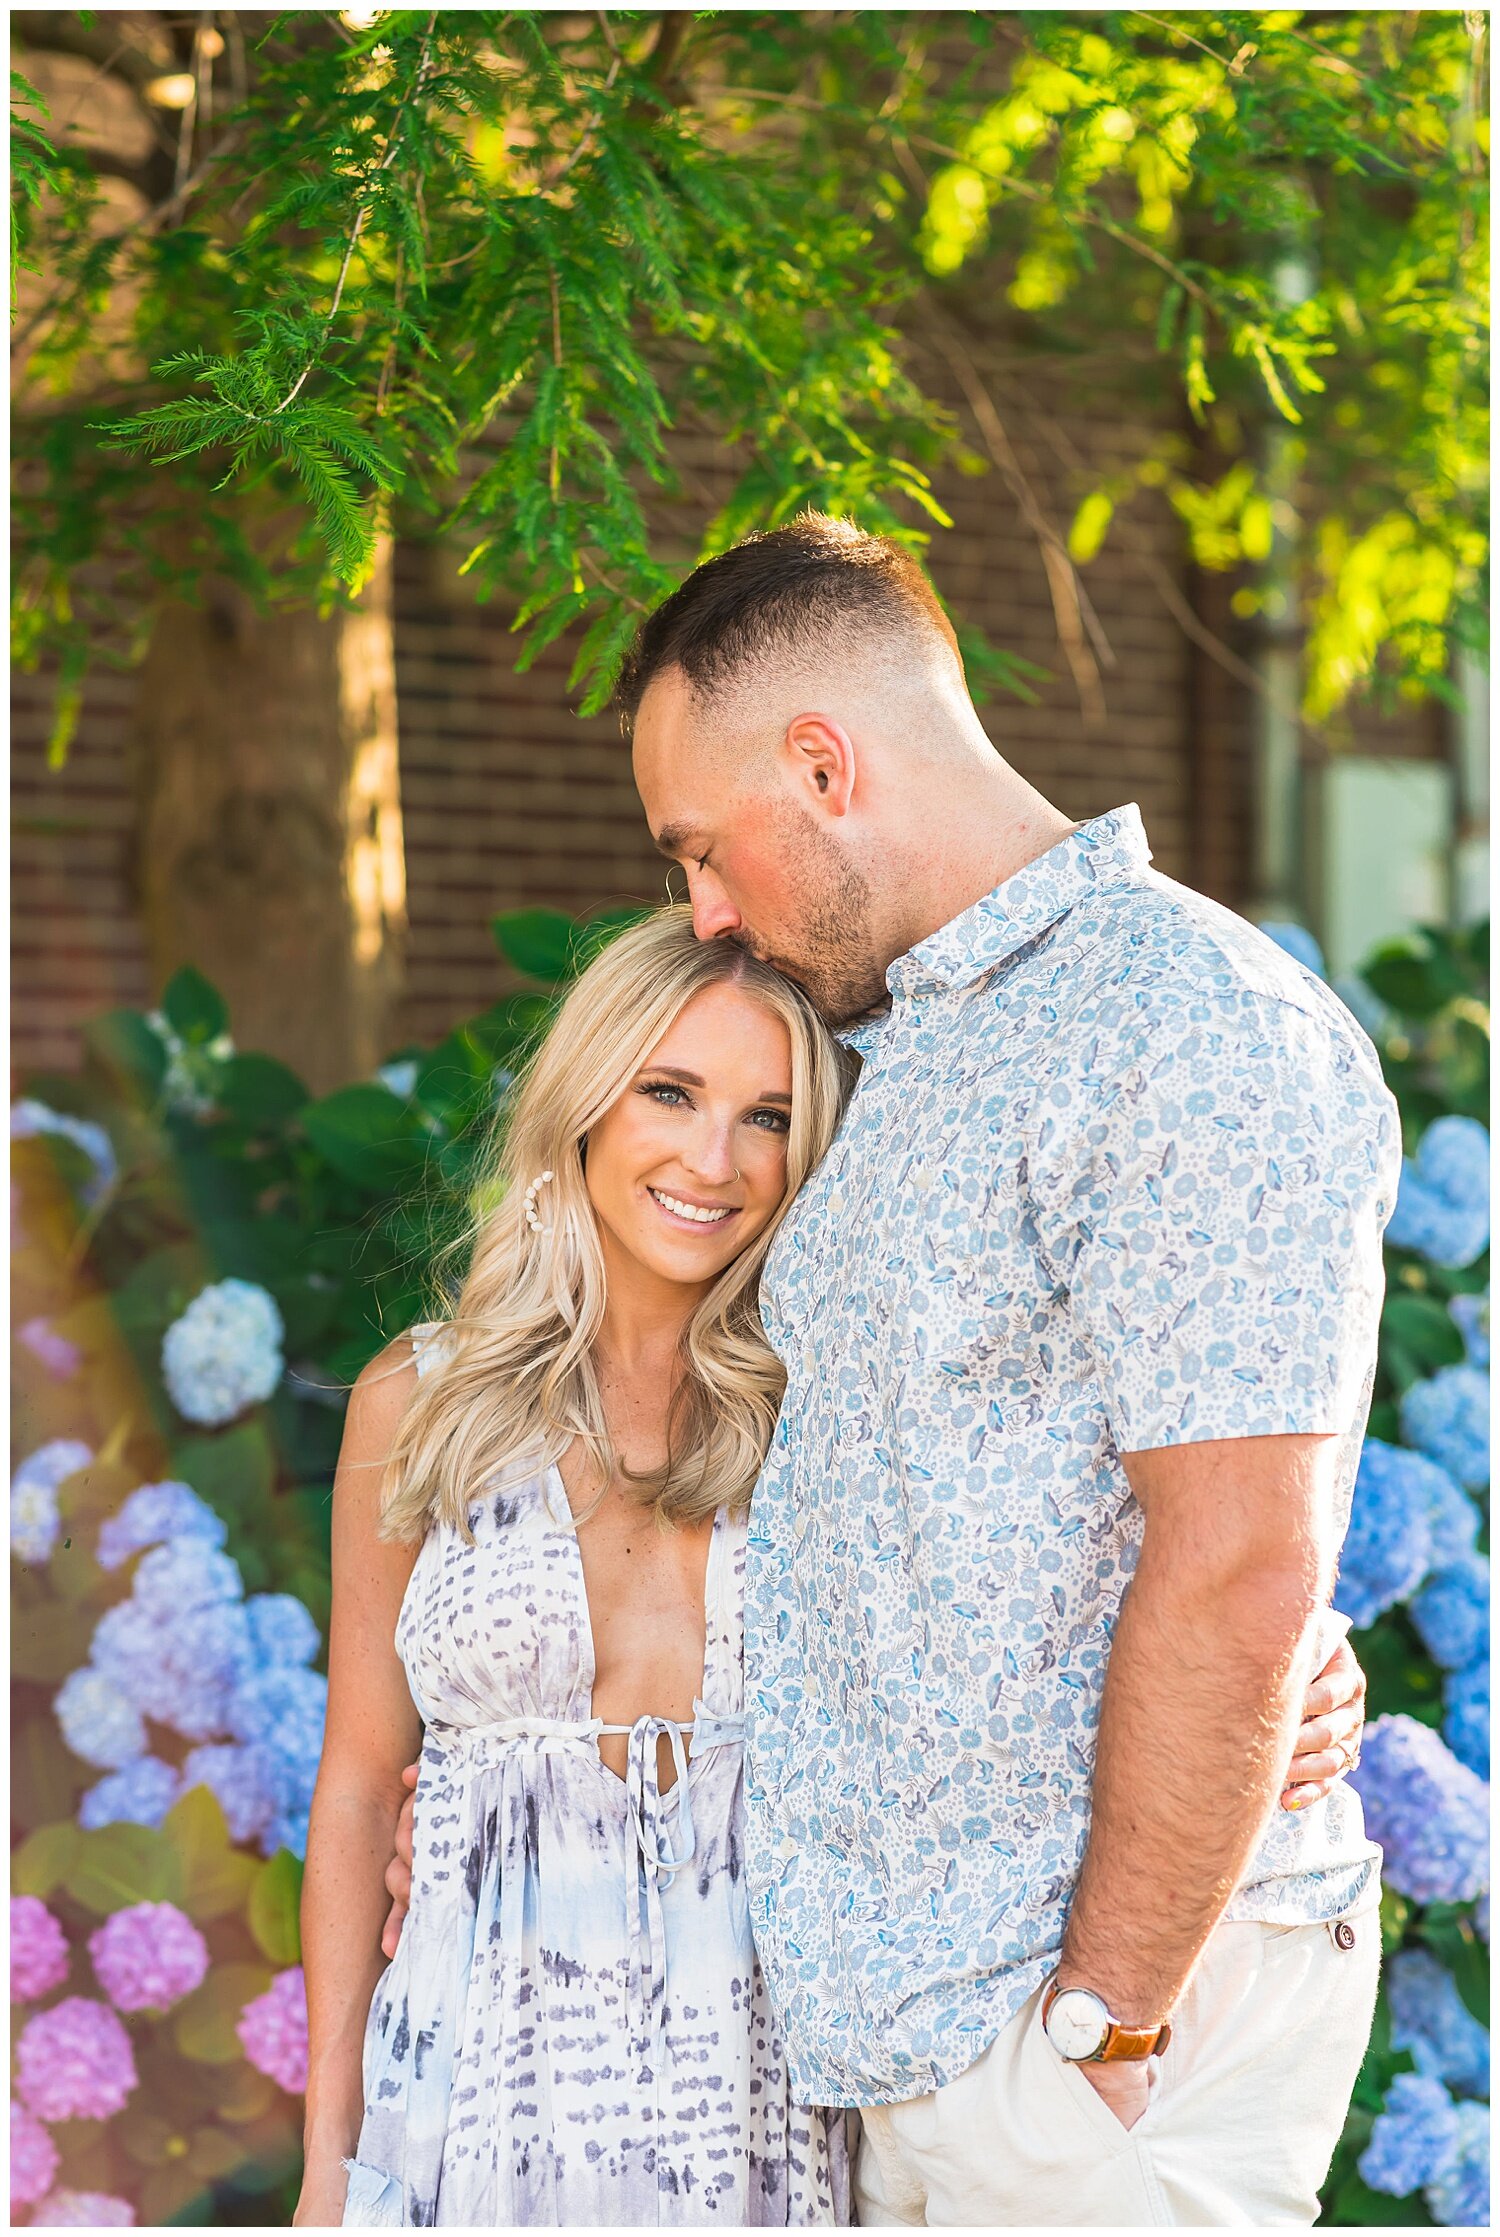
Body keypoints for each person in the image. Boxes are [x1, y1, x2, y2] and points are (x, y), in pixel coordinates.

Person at [374, 513, 1382, 2228]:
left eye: (702, 847)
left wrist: (1107, 2019)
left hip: (1075, 2037)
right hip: (893, 2049)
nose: (700, 906)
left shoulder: (1189, 1025)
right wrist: (493, 1771)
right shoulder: (887, 1052)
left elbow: (1242, 1558)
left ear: (825, 767)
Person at [298, 912, 858, 2227]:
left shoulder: (828, 1418)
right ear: (588, 1103)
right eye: (671, 1091)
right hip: (475, 2101)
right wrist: (329, 2161)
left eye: (767, 1115)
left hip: (761, 2113)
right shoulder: (423, 1402)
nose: (713, 1159)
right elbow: (360, 1784)